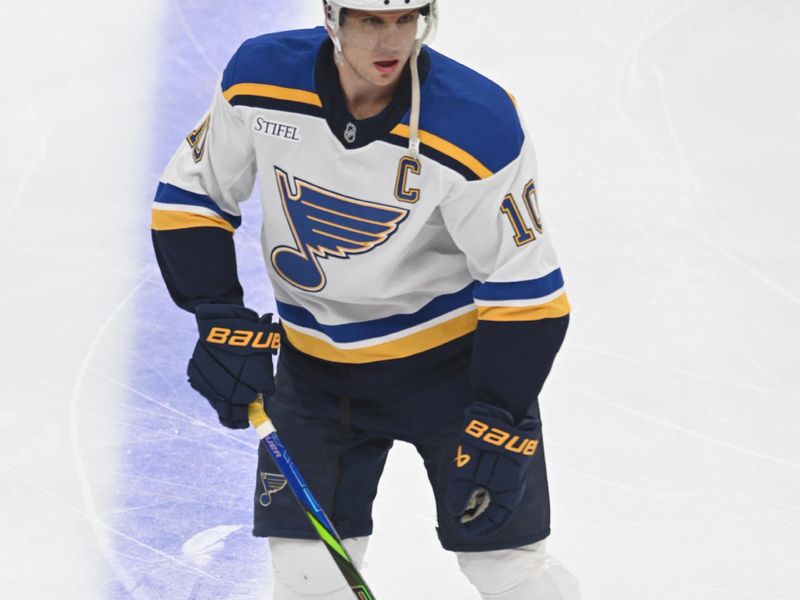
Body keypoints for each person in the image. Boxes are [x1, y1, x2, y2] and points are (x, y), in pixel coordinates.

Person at [151, 1, 581, 598]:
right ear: (332, 17)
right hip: (313, 374)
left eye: (407, 19)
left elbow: (525, 287)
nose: (392, 40)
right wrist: (217, 314)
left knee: (507, 567)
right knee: (308, 576)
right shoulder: (260, 79)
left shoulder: (476, 121)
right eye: (371, 21)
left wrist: (499, 415)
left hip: (452, 376)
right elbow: (191, 196)